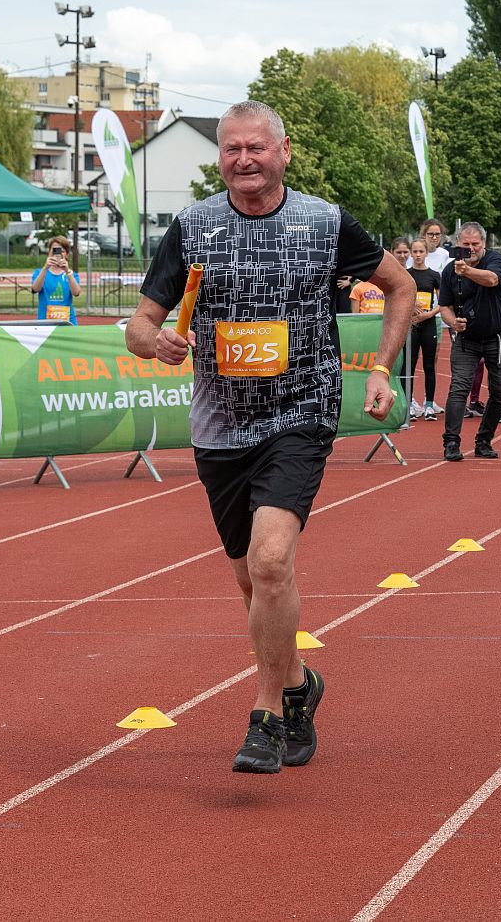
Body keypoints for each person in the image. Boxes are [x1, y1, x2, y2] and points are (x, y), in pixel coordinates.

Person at [126, 99, 412, 776]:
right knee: (254, 585)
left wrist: (380, 369)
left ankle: (266, 714)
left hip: (301, 412)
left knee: (272, 560)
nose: (245, 160)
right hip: (220, 424)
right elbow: (139, 323)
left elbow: (401, 288)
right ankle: (299, 682)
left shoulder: (324, 222)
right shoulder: (194, 226)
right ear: (219, 157)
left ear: (284, 151)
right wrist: (157, 342)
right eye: (232, 150)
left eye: (257, 148)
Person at [439, 222, 501, 461]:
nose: (470, 249)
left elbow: (492, 280)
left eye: (475, 245)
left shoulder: (495, 259)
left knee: (500, 389)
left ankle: (484, 440)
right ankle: (451, 443)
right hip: (466, 338)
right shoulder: (450, 271)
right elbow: (445, 306)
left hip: (498, 336)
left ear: (484, 244)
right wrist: (452, 323)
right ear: (458, 244)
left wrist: (468, 271)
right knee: (458, 387)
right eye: (465, 245)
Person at [405, 238, 442, 420]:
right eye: (415, 252)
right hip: (411, 324)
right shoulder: (406, 274)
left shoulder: (434, 275)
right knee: (409, 364)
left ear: (426, 253)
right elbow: (400, 298)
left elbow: (442, 303)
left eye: (421, 252)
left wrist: (428, 315)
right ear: (411, 253)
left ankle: (428, 405)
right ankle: (409, 403)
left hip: (428, 323)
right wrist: (411, 309)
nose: (418, 255)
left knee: (429, 365)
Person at [31, 236, 82, 324]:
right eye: (54, 250)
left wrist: (67, 271)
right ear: (49, 252)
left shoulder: (71, 274)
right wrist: (45, 268)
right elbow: (35, 289)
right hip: (45, 323)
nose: (57, 254)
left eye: (61, 251)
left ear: (66, 254)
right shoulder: (40, 272)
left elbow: (76, 293)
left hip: (67, 322)